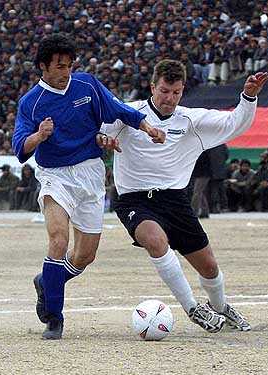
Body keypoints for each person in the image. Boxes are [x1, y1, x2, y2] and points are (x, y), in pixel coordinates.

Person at [12, 34, 165, 340]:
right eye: (59, 65)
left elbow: (120, 110)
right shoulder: (30, 102)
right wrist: (39, 136)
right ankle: (54, 318)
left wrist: (149, 128)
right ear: (43, 66)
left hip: (91, 174)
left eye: (69, 65)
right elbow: (20, 148)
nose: (66, 71)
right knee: (58, 240)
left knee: (85, 255)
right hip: (55, 176)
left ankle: (47, 282)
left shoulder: (87, 85)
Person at [102, 59, 268, 333]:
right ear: (153, 86)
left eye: (176, 92)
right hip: (134, 200)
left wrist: (248, 97)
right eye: (165, 90)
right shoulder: (128, 114)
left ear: (182, 91)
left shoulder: (190, 120)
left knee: (209, 267)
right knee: (155, 241)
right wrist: (102, 139)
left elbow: (233, 124)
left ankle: (221, 307)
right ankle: (192, 308)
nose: (169, 98)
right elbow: (99, 130)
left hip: (175, 201)